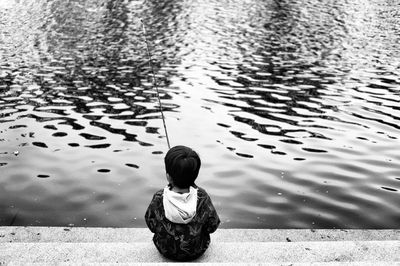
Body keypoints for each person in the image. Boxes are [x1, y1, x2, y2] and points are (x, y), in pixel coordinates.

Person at [145, 145, 220, 261]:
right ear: (195, 175)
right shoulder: (202, 196)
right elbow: (212, 225)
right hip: (196, 251)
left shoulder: (159, 197)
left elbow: (151, 222)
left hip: (165, 250)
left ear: (168, 177)